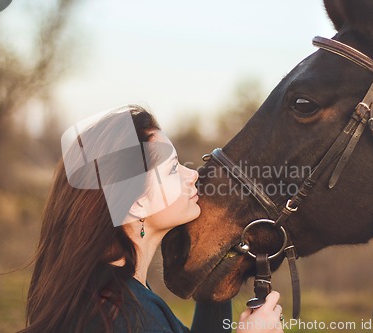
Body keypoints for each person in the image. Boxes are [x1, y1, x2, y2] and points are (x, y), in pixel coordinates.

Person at [18, 105, 284, 333]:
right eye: (171, 169)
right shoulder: (134, 318)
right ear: (135, 202)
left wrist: (215, 283)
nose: (193, 175)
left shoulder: (106, 294)